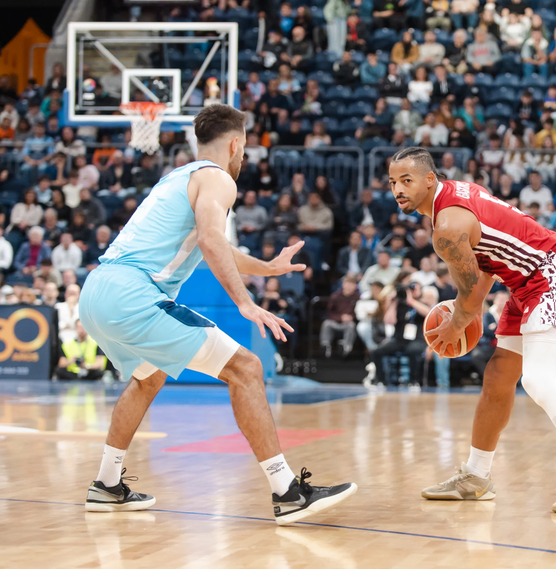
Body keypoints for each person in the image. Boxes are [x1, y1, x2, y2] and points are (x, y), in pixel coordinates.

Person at [78, 105, 355, 521]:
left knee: (147, 379)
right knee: (246, 367)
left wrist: (268, 268)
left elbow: (214, 246)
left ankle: (106, 483)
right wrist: (245, 301)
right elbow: (211, 239)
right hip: (133, 294)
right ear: (235, 143)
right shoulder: (219, 178)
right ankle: (287, 491)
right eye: (245, 148)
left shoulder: (179, 178)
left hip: (97, 290)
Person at [388, 148, 556, 513]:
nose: (398, 190)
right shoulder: (457, 193)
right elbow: (484, 270)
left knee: (538, 380)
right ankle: (476, 477)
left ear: (430, 179)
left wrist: (456, 325)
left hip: (554, 273)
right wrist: (465, 315)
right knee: (498, 375)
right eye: (393, 182)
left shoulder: (447, 228)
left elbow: (468, 295)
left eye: (407, 180)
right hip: (525, 283)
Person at [320, 276, 361, 357]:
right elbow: (329, 312)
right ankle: (325, 346)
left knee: (351, 326)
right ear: (343, 284)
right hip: (335, 322)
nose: (349, 286)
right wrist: (340, 318)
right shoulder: (335, 296)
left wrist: (351, 317)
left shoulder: (358, 297)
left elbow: (360, 311)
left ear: (355, 286)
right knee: (326, 324)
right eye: (347, 283)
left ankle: (346, 348)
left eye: (351, 284)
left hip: (349, 323)